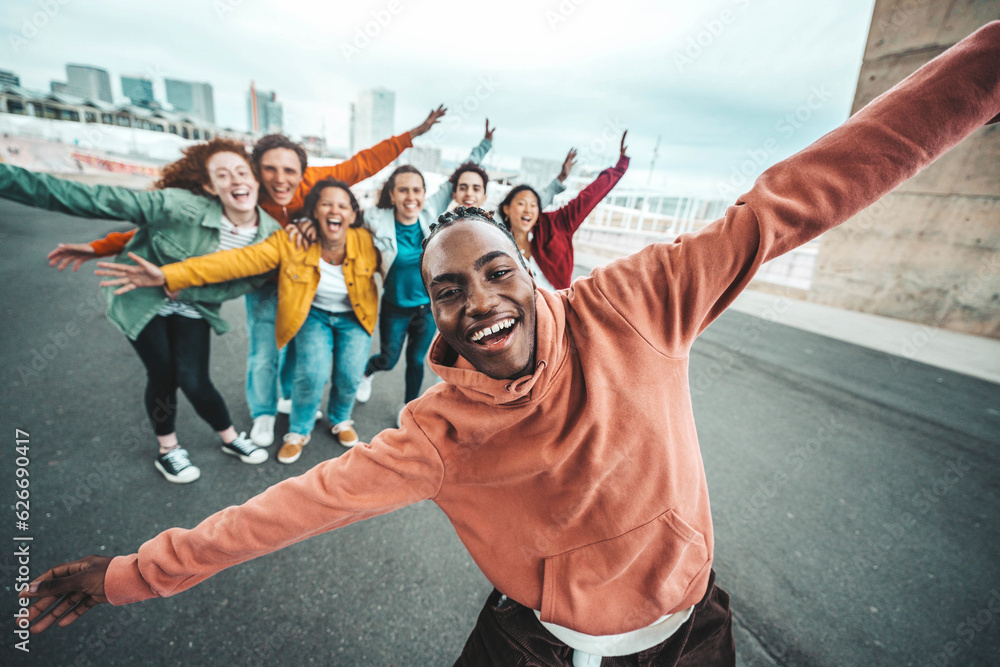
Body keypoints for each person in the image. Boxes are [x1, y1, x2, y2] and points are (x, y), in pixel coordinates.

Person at [20, 23, 1000, 666]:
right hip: (530, 651)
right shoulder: (436, 434)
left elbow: (806, 189)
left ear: (529, 268)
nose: (480, 301)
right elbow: (276, 517)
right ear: (434, 319)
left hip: (693, 637)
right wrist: (124, 575)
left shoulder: (642, 302)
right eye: (448, 293)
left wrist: (983, 65)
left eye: (496, 270)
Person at [48, 107, 447, 449]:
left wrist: (411, 136)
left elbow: (364, 163)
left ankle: (288, 396)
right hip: (262, 279)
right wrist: (101, 247)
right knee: (263, 350)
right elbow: (167, 232)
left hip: (306, 277)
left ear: (303, 171)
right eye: (269, 169)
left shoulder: (314, 185)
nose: (279, 178)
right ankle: (263, 412)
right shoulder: (245, 195)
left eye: (288, 169)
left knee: (299, 344)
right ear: (256, 171)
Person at [0, 139, 285, 484]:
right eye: (222, 175)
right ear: (209, 186)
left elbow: (240, 284)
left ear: (255, 180)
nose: (235, 180)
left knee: (195, 379)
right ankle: (169, 450)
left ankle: (229, 437)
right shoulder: (181, 205)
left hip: (193, 304)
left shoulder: (270, 235)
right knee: (164, 373)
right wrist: (7, 179)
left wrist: (181, 283)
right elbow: (99, 200)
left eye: (242, 172)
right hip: (140, 295)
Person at [96, 179, 381, 463]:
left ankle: (341, 419)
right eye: (326, 204)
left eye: (343, 205)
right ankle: (298, 431)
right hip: (314, 315)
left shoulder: (366, 241)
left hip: (356, 316)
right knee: (312, 374)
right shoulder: (292, 240)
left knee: (350, 373)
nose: (335, 210)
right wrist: (172, 275)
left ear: (353, 215)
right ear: (313, 213)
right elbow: (236, 261)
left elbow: (402, 262)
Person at [352, 120, 494, 422]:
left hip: (428, 308)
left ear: (424, 192)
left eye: (416, 190)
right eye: (402, 190)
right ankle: (367, 371)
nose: (410, 197)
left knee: (418, 361)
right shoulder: (374, 219)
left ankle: (409, 412)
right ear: (392, 194)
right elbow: (339, 220)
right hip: (395, 307)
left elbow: (460, 173)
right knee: (389, 361)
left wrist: (484, 145)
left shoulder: (430, 211)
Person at [498, 137, 627, 291]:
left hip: (559, 310)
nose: (528, 209)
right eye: (521, 203)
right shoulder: (495, 242)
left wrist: (620, 166)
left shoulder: (556, 225)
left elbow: (590, 196)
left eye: (533, 205)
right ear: (506, 209)